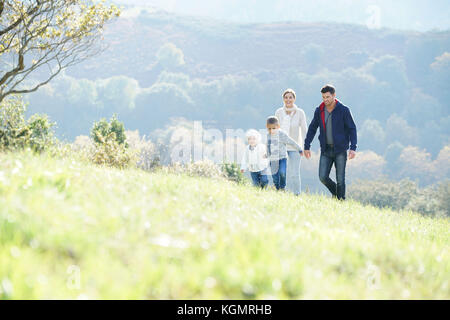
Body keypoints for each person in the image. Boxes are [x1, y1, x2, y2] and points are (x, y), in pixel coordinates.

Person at [304, 84, 357, 200]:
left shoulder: (343, 110)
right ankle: (336, 194)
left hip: (340, 150)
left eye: (327, 97)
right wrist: (306, 146)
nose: (325, 100)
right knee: (322, 177)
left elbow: (352, 128)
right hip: (326, 149)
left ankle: (341, 201)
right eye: (323, 97)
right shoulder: (319, 110)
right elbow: (312, 128)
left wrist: (353, 148)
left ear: (334, 95)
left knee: (340, 179)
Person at [275, 88, 308, 196]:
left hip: (295, 147)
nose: (288, 99)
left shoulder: (300, 113)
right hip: (281, 147)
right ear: (283, 99)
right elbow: (275, 130)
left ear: (294, 99)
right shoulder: (279, 112)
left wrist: (305, 146)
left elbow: (304, 130)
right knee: (281, 172)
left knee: (294, 173)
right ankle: (281, 191)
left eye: (290, 97)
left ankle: (297, 194)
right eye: (286, 97)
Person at [266, 116, 303, 191]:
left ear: (278, 127)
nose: (271, 130)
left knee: (282, 173)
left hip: (282, 158)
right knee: (275, 177)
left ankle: (282, 188)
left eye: (274, 128)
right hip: (273, 160)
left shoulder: (282, 134)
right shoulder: (268, 136)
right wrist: (267, 154)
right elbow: (268, 145)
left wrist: (299, 148)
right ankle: (278, 189)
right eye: (269, 128)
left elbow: (290, 141)